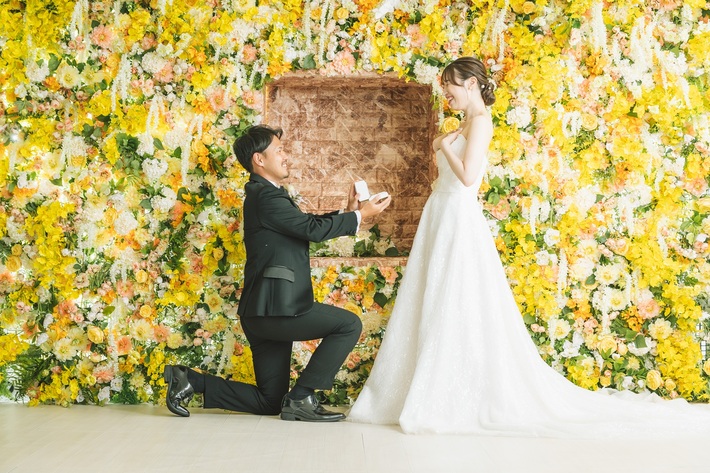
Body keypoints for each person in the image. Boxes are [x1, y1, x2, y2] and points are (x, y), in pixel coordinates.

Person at [347, 57, 710, 437]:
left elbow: (468, 178)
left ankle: (447, 395)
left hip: (457, 215)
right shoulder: (465, 123)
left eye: (449, 85)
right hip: (440, 213)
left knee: (455, 297)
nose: (446, 93)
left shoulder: (481, 122)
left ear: (470, 83)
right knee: (434, 296)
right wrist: (447, 142)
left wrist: (442, 146)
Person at [164, 124, 391, 422]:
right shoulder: (266, 197)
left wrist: (349, 213)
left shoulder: (266, 195)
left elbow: (304, 225)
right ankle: (302, 397)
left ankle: (189, 380)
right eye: (280, 150)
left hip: (261, 313)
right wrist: (361, 215)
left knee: (270, 401)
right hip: (276, 310)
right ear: (259, 159)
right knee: (348, 325)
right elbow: (310, 229)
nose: (286, 156)